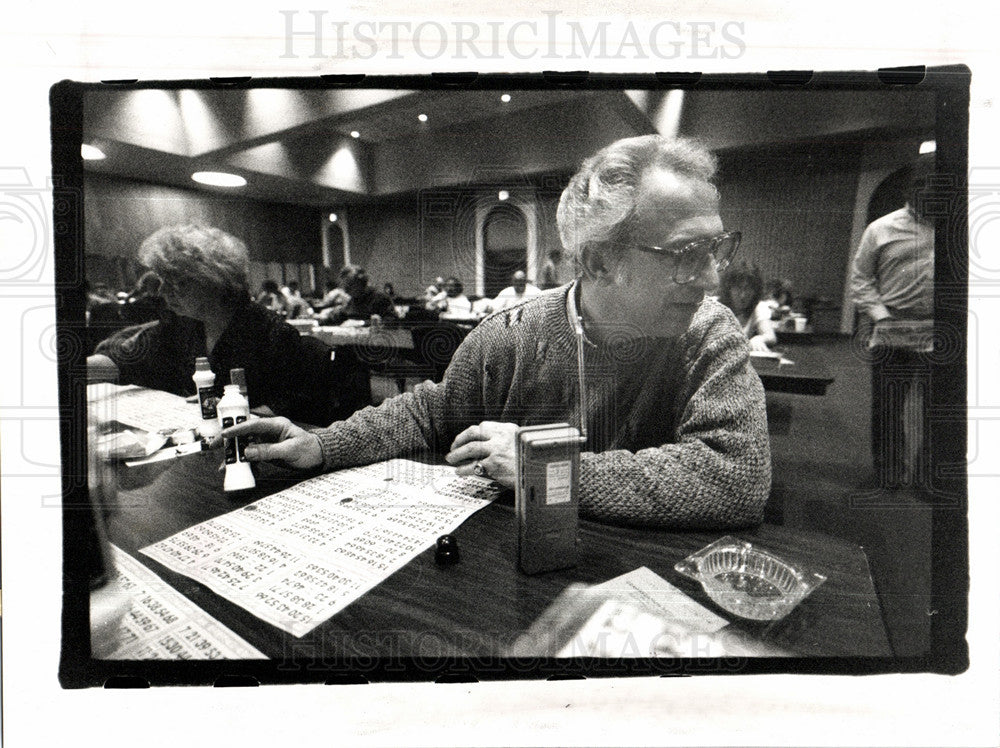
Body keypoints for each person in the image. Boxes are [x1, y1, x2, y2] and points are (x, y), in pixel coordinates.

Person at [226, 135, 770, 529]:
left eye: (717, 247)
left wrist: (545, 465)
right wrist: (322, 443)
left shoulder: (709, 333)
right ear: (599, 262)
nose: (713, 276)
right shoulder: (510, 335)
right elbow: (429, 413)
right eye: (687, 254)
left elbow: (736, 478)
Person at [87, 224, 369, 425]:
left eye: (177, 283)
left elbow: (303, 407)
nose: (162, 292)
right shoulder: (179, 324)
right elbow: (125, 359)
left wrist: (234, 412)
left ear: (214, 281)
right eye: (162, 282)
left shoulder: (272, 334)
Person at [850, 155, 937, 491]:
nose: (928, 189)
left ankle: (927, 479)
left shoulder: (960, 229)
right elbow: (861, 279)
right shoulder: (882, 228)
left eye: (935, 181)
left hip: (940, 333)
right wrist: (880, 316)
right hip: (892, 328)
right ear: (908, 188)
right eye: (919, 182)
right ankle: (888, 475)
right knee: (888, 409)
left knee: (938, 412)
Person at [718, 262, 778, 352]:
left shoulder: (758, 307)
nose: (743, 295)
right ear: (728, 289)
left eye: (748, 289)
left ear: (756, 291)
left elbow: (770, 336)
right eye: (738, 288)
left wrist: (759, 339)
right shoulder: (715, 306)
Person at [317, 265, 396, 325]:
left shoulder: (380, 298)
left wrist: (362, 323)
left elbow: (392, 321)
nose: (345, 290)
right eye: (344, 286)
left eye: (349, 286)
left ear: (361, 283)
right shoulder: (354, 299)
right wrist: (319, 321)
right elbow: (341, 315)